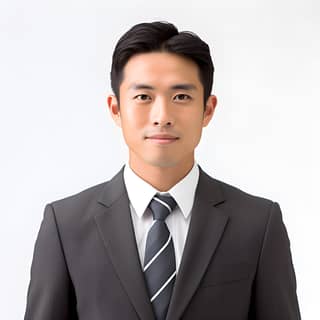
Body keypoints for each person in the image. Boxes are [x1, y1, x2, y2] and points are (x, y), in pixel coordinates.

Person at [24, 21, 301, 320]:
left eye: (181, 97)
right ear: (115, 109)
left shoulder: (258, 225)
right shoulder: (65, 226)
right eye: (143, 96)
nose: (162, 116)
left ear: (207, 109)